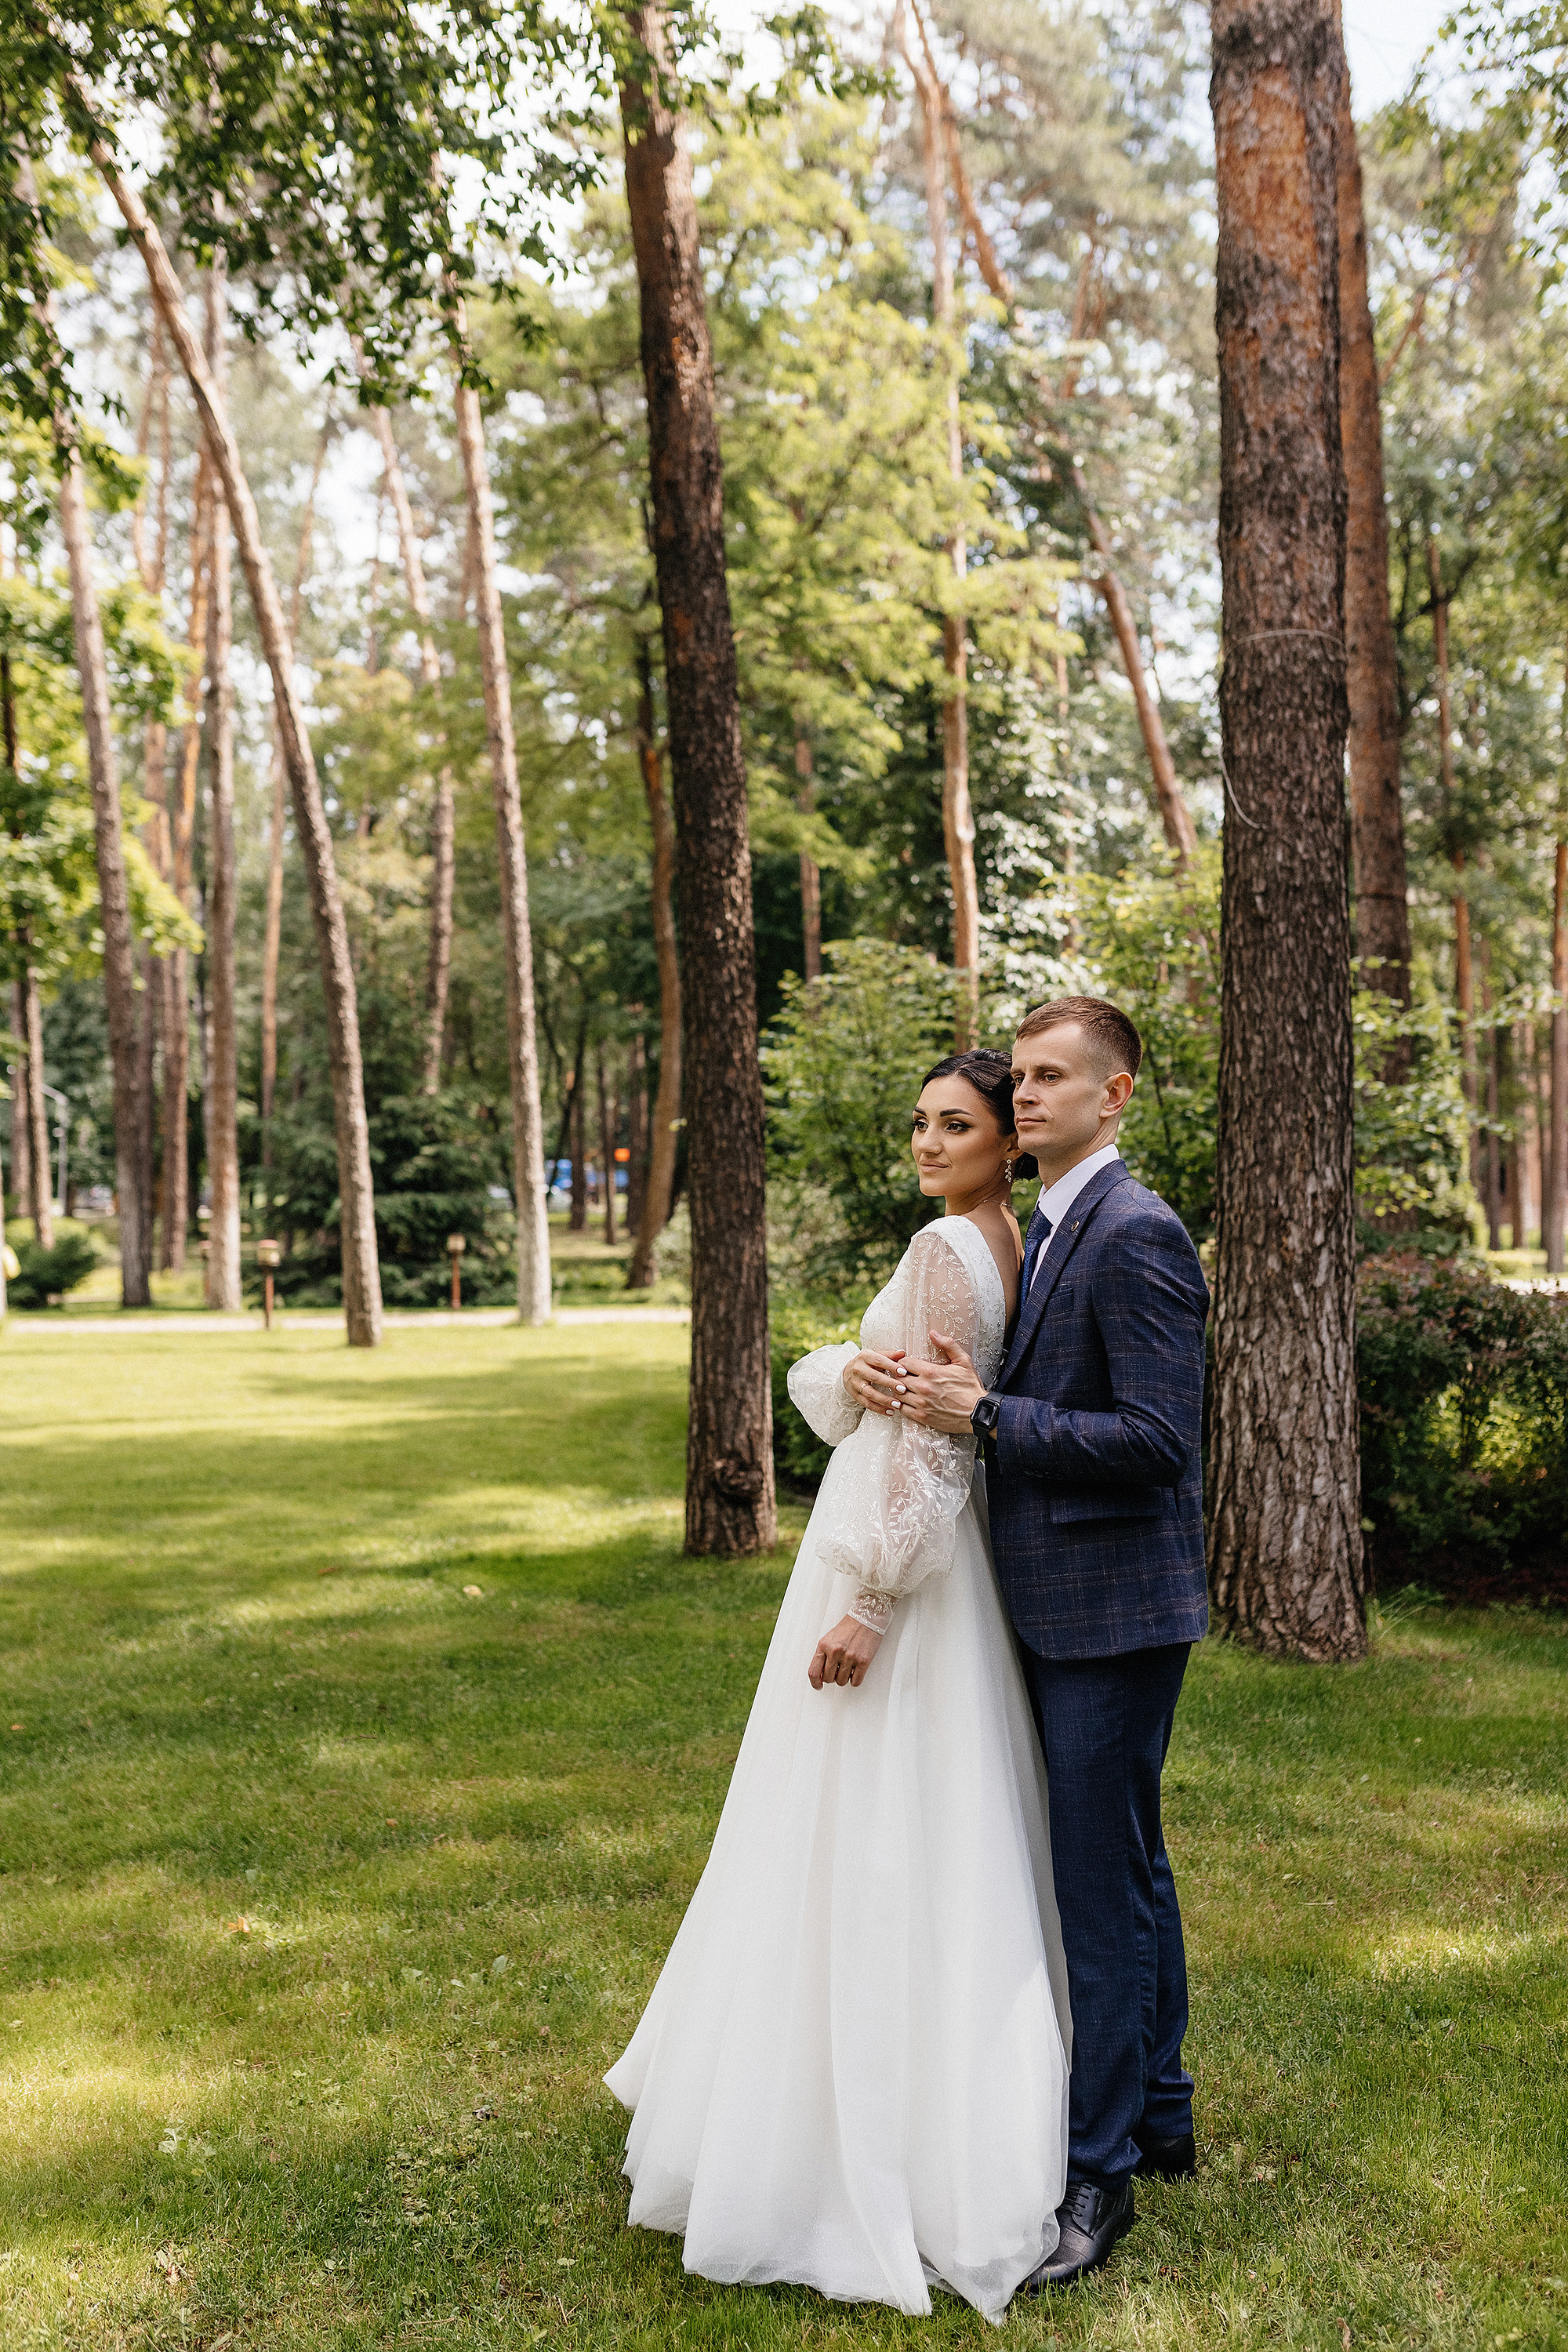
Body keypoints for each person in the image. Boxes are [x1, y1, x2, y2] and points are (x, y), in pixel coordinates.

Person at [605, 1048, 1071, 2320]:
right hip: (937, 1571)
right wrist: (843, 1371)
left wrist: (868, 1599)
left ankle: (839, 2146)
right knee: (928, 1834)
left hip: (896, 1579)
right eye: (922, 1121)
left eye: (958, 1124)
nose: (930, 1141)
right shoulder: (1001, 1243)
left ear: (1005, 1141)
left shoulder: (945, 1253)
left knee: (863, 1836)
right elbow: (890, 1400)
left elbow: (930, 1449)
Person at [855, 996, 1209, 2289]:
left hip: (1115, 1612)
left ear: (1116, 1097)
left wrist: (986, 1417)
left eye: (1059, 1078)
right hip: (1070, 1600)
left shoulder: (1136, 1232)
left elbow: (1162, 1444)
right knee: (1128, 1863)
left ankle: (1097, 2175)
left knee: (1098, 1891)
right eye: (1029, 1076)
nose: (1034, 1093)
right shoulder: (1054, 1223)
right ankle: (1161, 2114)